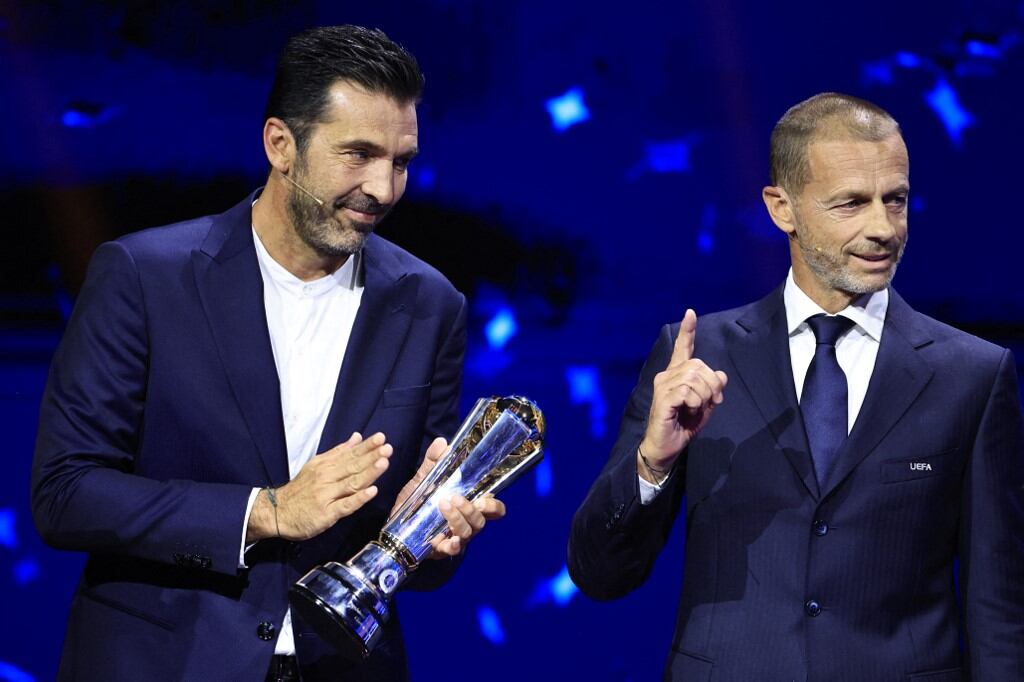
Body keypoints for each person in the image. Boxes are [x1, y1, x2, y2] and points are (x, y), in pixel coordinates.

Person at [32, 25, 505, 682]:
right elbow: (67, 493)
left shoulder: (430, 304)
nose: (384, 188)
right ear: (281, 144)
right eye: (358, 155)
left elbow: (405, 555)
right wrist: (265, 512)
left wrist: (426, 540)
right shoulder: (144, 277)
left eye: (400, 161)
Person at [568, 92, 1024, 681]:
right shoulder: (696, 356)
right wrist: (652, 462)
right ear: (782, 208)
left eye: (897, 200)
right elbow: (600, 573)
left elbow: (1001, 610)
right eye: (851, 204)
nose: (882, 228)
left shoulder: (973, 375)